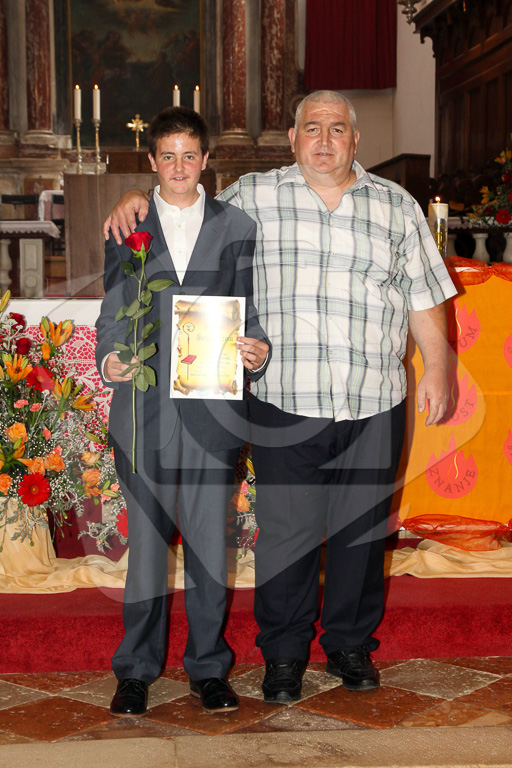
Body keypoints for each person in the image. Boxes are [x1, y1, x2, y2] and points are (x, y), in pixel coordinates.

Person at [103, 91, 456, 704]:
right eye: (312, 128)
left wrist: (440, 368)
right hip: (288, 398)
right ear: (292, 139)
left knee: (362, 535)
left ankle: (350, 645)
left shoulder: (396, 204)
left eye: (337, 129)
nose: (324, 140)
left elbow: (423, 293)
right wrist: (135, 195)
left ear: (355, 139)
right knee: (287, 538)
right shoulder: (252, 198)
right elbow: (182, 200)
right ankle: (285, 656)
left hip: (374, 397)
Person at [96, 106, 269, 717]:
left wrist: (255, 349)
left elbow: (249, 310)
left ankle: (209, 669)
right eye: (166, 156)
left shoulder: (237, 226)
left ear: (205, 160)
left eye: (188, 156)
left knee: (208, 549)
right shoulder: (129, 225)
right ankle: (136, 671)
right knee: (146, 551)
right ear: (151, 161)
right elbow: (113, 308)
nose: (178, 167)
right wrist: (111, 359)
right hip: (143, 413)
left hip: (211, 412)